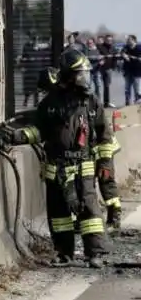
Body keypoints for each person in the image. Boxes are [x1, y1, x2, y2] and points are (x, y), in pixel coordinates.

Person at [4, 49, 110, 268]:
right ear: (69, 76)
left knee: (90, 211)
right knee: (59, 214)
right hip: (57, 167)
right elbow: (39, 130)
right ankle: (64, 253)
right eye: (81, 75)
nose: (85, 80)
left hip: (84, 166)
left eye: (87, 74)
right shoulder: (50, 104)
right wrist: (18, 136)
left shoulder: (92, 103)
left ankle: (95, 253)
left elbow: (104, 136)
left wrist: (106, 164)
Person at [36, 65, 123, 232]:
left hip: (101, 148)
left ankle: (115, 215)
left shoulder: (83, 101)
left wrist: (104, 161)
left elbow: (101, 135)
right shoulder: (59, 101)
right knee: (79, 187)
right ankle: (86, 217)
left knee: (105, 180)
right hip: (90, 151)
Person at [121, 35, 141, 105]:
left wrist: (137, 58)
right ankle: (127, 101)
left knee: (137, 87)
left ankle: (137, 101)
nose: (128, 41)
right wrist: (124, 55)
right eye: (128, 40)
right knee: (127, 87)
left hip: (137, 70)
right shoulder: (126, 47)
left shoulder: (139, 48)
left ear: (134, 40)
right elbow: (122, 53)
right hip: (127, 70)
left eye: (129, 39)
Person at [98, 34, 117, 107]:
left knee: (107, 86)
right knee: (98, 86)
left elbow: (115, 58)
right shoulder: (100, 47)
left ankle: (106, 102)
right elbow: (97, 55)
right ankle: (98, 103)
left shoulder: (113, 48)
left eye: (110, 40)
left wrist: (113, 67)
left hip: (108, 69)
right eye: (108, 40)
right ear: (105, 40)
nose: (109, 41)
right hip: (100, 69)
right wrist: (101, 60)